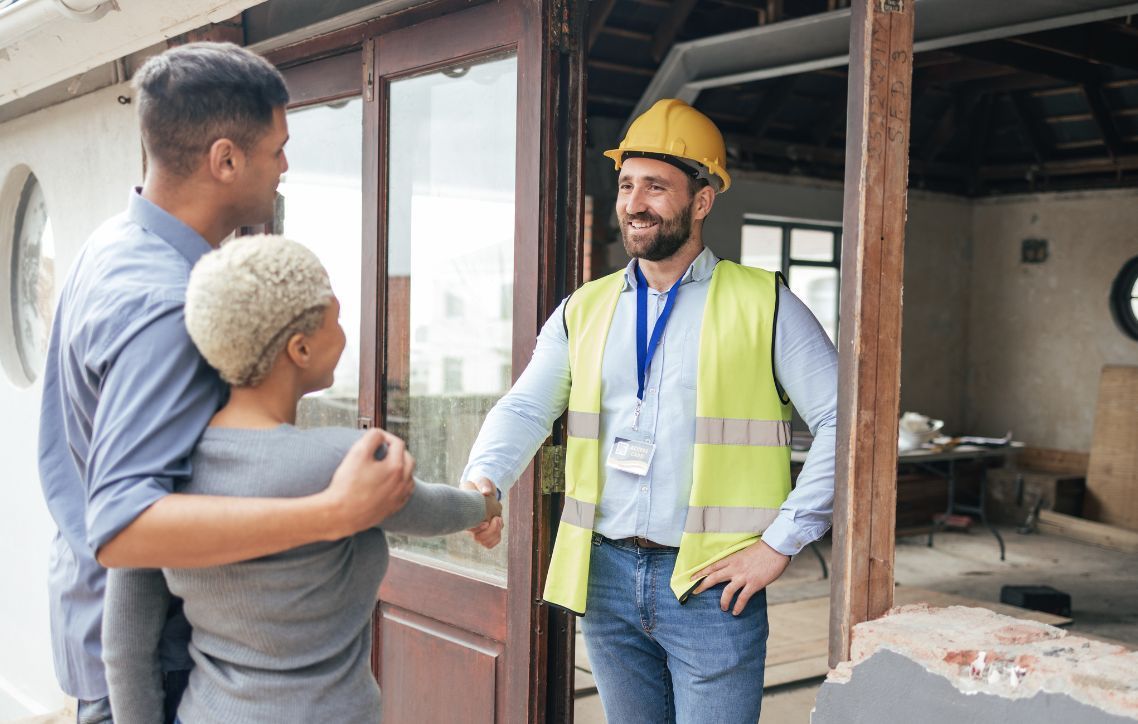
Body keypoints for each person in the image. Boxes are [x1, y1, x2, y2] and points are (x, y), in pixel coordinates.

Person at [37, 43, 417, 724]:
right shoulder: (166, 305)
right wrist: (334, 512)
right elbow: (124, 527)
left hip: (98, 628)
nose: (285, 167)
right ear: (225, 159)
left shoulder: (109, 246)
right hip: (152, 666)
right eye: (278, 147)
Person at [461, 98, 838, 722]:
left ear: (702, 200)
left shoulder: (764, 303)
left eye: (656, 187)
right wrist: (485, 478)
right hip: (605, 572)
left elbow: (842, 423)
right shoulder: (584, 308)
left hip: (713, 582)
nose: (635, 203)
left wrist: (782, 541)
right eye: (627, 184)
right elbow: (528, 405)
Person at [103, 235, 502, 723]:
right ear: (300, 346)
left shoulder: (163, 477)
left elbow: (125, 647)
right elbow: (436, 510)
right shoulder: (347, 461)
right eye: (335, 316)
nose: (345, 332)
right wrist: (484, 503)